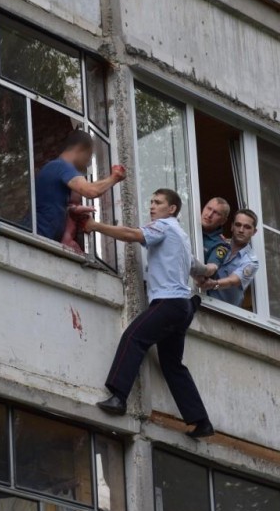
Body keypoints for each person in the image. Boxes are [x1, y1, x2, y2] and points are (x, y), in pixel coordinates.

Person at [79, 188, 218, 439]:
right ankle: (201, 422)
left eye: (158, 202)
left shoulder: (163, 226)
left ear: (172, 209)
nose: (152, 206)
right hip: (183, 307)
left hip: (169, 303)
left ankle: (119, 398)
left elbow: (131, 234)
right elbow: (198, 267)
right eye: (151, 202)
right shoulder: (182, 236)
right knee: (172, 365)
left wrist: (94, 225)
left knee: (134, 337)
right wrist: (209, 270)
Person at [34, 130, 126, 252]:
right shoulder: (61, 166)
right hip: (38, 236)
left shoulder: (54, 168)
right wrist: (115, 177)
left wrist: (71, 210)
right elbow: (91, 191)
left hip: (41, 238)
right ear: (80, 148)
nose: (88, 163)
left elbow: (49, 203)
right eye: (89, 155)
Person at [200, 209, 259, 307]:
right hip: (201, 299)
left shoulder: (252, 261)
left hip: (225, 312)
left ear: (254, 231)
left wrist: (214, 284)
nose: (241, 230)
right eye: (238, 225)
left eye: (247, 227)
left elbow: (232, 281)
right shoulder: (219, 244)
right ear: (232, 226)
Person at [200, 197, 230, 264]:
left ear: (223, 221)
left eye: (216, 213)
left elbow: (211, 269)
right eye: (209, 208)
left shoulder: (221, 245)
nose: (209, 215)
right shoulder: (188, 224)